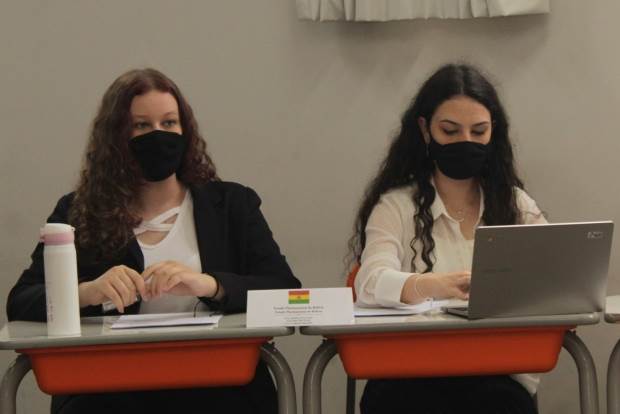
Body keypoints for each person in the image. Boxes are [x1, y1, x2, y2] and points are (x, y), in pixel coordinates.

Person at [7, 68, 300, 414]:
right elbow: (21, 301)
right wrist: (87, 292)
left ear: (185, 131)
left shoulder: (232, 204)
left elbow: (285, 289)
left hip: (217, 382)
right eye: (142, 126)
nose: (158, 136)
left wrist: (211, 285)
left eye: (169, 123)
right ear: (116, 138)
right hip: (110, 386)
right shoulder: (78, 211)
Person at [349, 63, 546, 414]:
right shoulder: (396, 206)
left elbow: (556, 274)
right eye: (450, 130)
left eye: (478, 131)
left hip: (495, 372)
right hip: (409, 373)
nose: (465, 141)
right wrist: (437, 286)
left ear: (493, 132)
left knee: (501, 403)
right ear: (425, 130)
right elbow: (369, 282)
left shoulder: (516, 205)